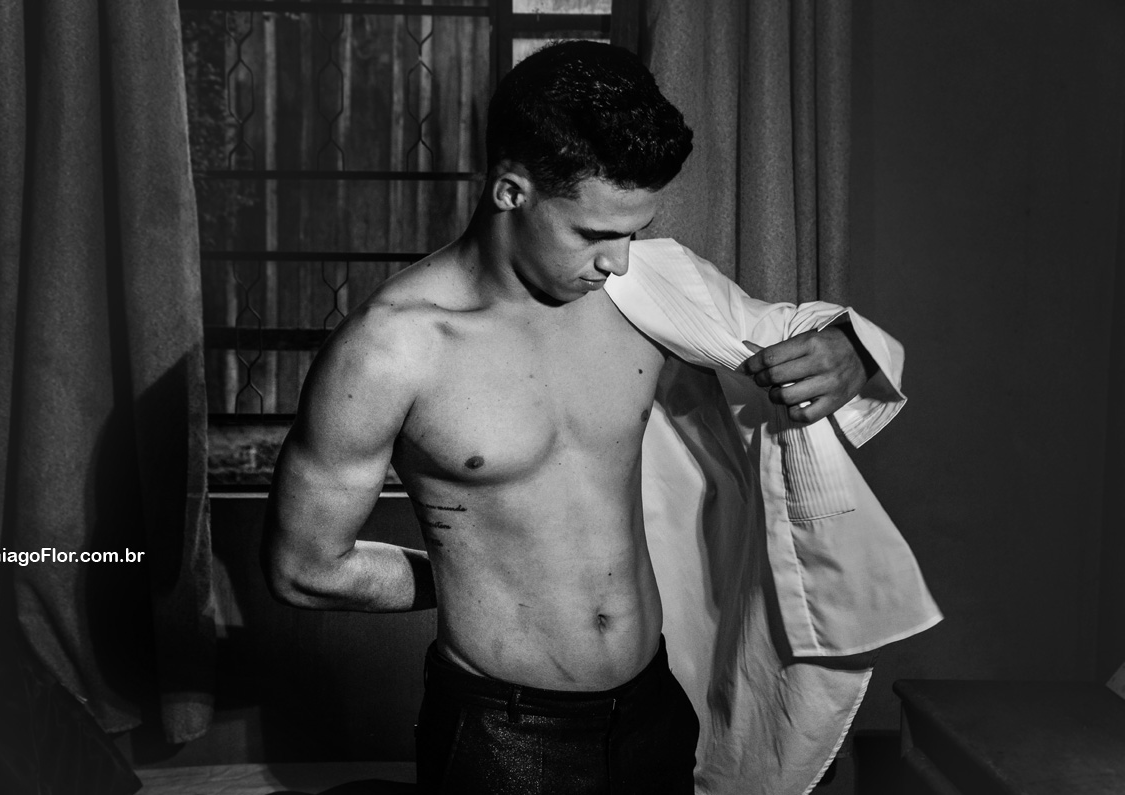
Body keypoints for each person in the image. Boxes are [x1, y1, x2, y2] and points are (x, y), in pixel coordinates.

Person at [261, 40, 878, 793]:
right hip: (504, 735)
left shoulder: (647, 292)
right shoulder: (391, 350)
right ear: (510, 191)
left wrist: (849, 350)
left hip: (655, 707)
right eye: (593, 234)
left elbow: (792, 335)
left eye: (633, 231)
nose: (619, 260)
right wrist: (469, 579)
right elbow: (305, 569)